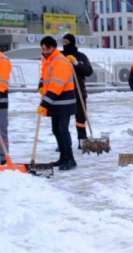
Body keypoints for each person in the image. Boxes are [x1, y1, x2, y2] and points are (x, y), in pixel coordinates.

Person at [38, 36, 77, 171]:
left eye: (45, 48)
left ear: (52, 48)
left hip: (64, 102)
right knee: (56, 130)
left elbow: (56, 85)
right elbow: (44, 77)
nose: (43, 51)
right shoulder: (48, 61)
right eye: (42, 48)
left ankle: (70, 159)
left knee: (62, 130)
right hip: (55, 102)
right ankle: (63, 158)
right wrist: (41, 86)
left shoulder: (60, 61)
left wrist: (44, 104)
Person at [62, 33, 93, 146]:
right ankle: (63, 143)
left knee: (80, 117)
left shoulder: (81, 56)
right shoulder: (59, 56)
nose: (65, 44)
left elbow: (89, 71)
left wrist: (76, 64)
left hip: (79, 91)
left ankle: (82, 140)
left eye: (67, 42)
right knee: (62, 119)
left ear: (72, 42)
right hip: (63, 92)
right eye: (63, 42)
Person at [0, 49, 11, 165]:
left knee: (1, 128)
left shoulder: (3, 59)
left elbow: (2, 81)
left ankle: (3, 158)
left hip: (1, 99)